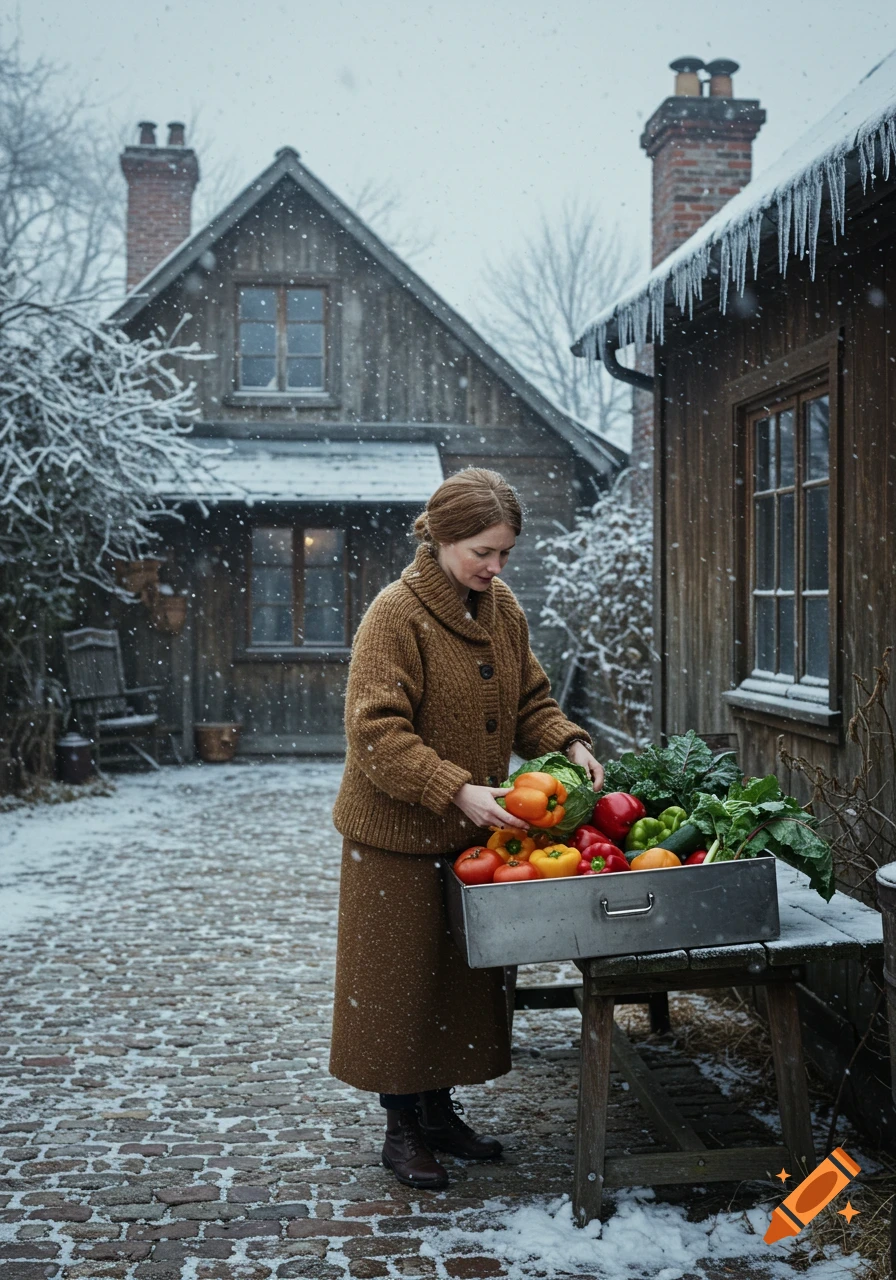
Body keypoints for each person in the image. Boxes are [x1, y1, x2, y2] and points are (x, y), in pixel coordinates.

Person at [329, 468, 603, 1190]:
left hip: (477, 834)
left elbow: (530, 701)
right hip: (396, 834)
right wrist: (455, 788)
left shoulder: (501, 608)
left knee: (458, 981)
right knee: (399, 987)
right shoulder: (395, 614)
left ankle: (441, 1114)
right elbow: (375, 734)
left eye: (506, 552)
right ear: (442, 535)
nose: (495, 566)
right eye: (484, 550)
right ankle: (401, 1129)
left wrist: (568, 741)